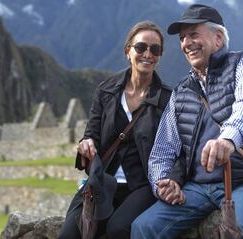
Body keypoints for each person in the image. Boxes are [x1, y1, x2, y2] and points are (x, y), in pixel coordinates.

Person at [132, 4, 243, 239]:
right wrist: (163, 182)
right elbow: (163, 150)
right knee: (143, 227)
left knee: (238, 229)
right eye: (183, 38)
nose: (186, 43)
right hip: (198, 188)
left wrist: (227, 140)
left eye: (193, 34)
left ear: (218, 38)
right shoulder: (181, 92)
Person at [58, 20, 172, 239]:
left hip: (141, 184)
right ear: (128, 51)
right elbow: (91, 132)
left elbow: (174, 147)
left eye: (155, 49)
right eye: (141, 47)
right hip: (103, 180)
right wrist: (87, 143)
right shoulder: (106, 91)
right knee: (70, 233)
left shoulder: (168, 99)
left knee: (117, 230)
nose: (147, 54)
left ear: (160, 55)